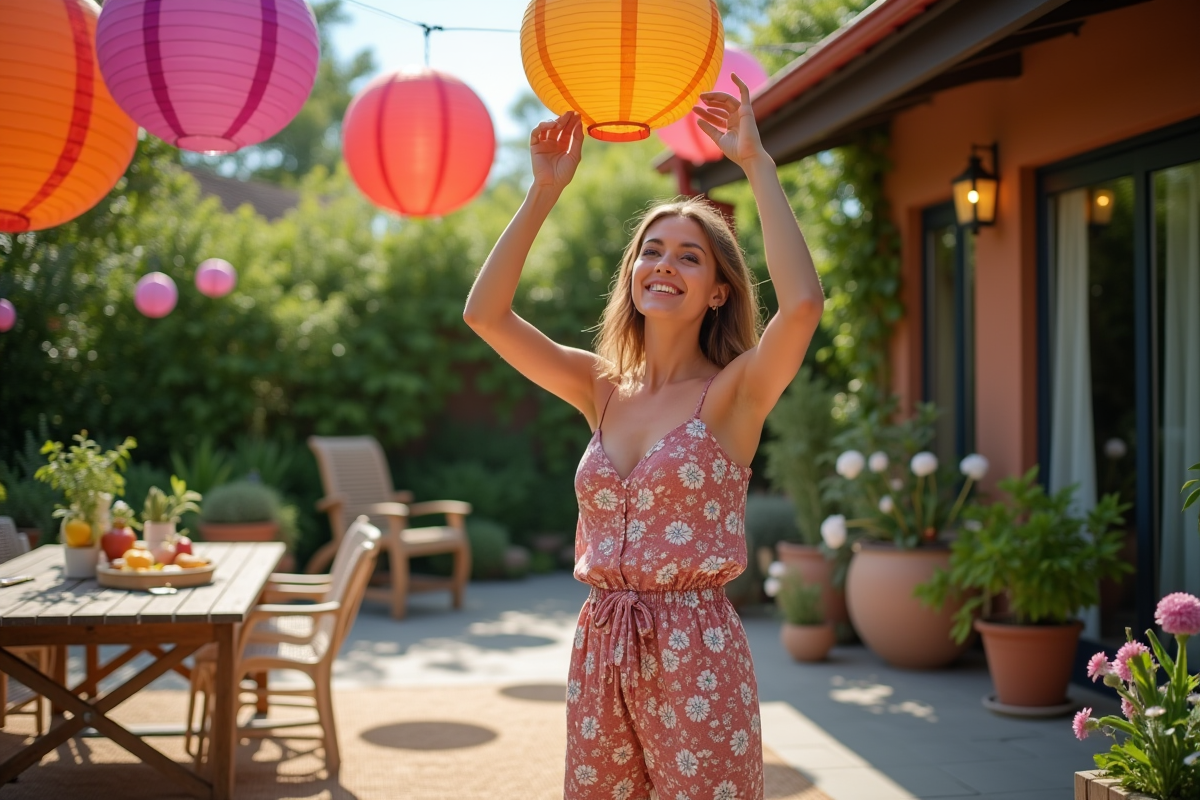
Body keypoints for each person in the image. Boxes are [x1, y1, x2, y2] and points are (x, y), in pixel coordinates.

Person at [464, 76, 823, 800]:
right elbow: (486, 315)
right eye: (651, 250)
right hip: (600, 644)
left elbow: (805, 305)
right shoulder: (599, 387)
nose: (664, 264)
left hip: (698, 653)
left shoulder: (732, 396)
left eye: (690, 256)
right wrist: (542, 193)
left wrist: (758, 164)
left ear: (718, 290)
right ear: (632, 272)